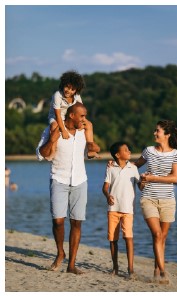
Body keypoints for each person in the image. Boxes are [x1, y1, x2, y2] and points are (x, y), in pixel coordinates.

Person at [36, 102, 89, 274]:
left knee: (76, 223)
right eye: (82, 116)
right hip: (59, 179)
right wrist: (52, 140)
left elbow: (92, 147)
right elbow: (41, 154)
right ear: (71, 115)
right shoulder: (53, 130)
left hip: (80, 181)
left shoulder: (84, 132)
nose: (84, 119)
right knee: (58, 221)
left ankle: (71, 264)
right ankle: (60, 252)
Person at [135, 120, 177, 284]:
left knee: (162, 237)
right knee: (157, 234)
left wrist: (152, 177)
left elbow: (175, 178)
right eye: (155, 130)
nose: (154, 133)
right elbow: (135, 167)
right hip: (148, 198)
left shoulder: (176, 153)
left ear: (167, 135)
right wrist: (118, 165)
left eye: (158, 131)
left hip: (168, 200)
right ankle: (162, 272)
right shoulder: (148, 151)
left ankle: (156, 269)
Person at [102, 141, 141, 278]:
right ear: (118, 155)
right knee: (113, 239)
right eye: (126, 149)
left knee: (128, 238)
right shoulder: (110, 168)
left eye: (129, 149)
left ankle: (130, 270)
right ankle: (115, 267)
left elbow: (140, 185)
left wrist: (145, 181)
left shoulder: (133, 168)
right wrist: (107, 195)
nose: (129, 151)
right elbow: (105, 187)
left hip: (128, 209)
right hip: (113, 209)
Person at [48, 70, 100, 159]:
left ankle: (90, 151)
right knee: (54, 126)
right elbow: (57, 114)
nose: (69, 91)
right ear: (63, 85)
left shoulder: (77, 96)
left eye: (72, 89)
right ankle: (52, 151)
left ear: (76, 90)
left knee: (89, 124)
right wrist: (63, 130)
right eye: (67, 87)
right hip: (57, 116)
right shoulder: (57, 95)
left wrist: (81, 122)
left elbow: (81, 111)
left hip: (70, 117)